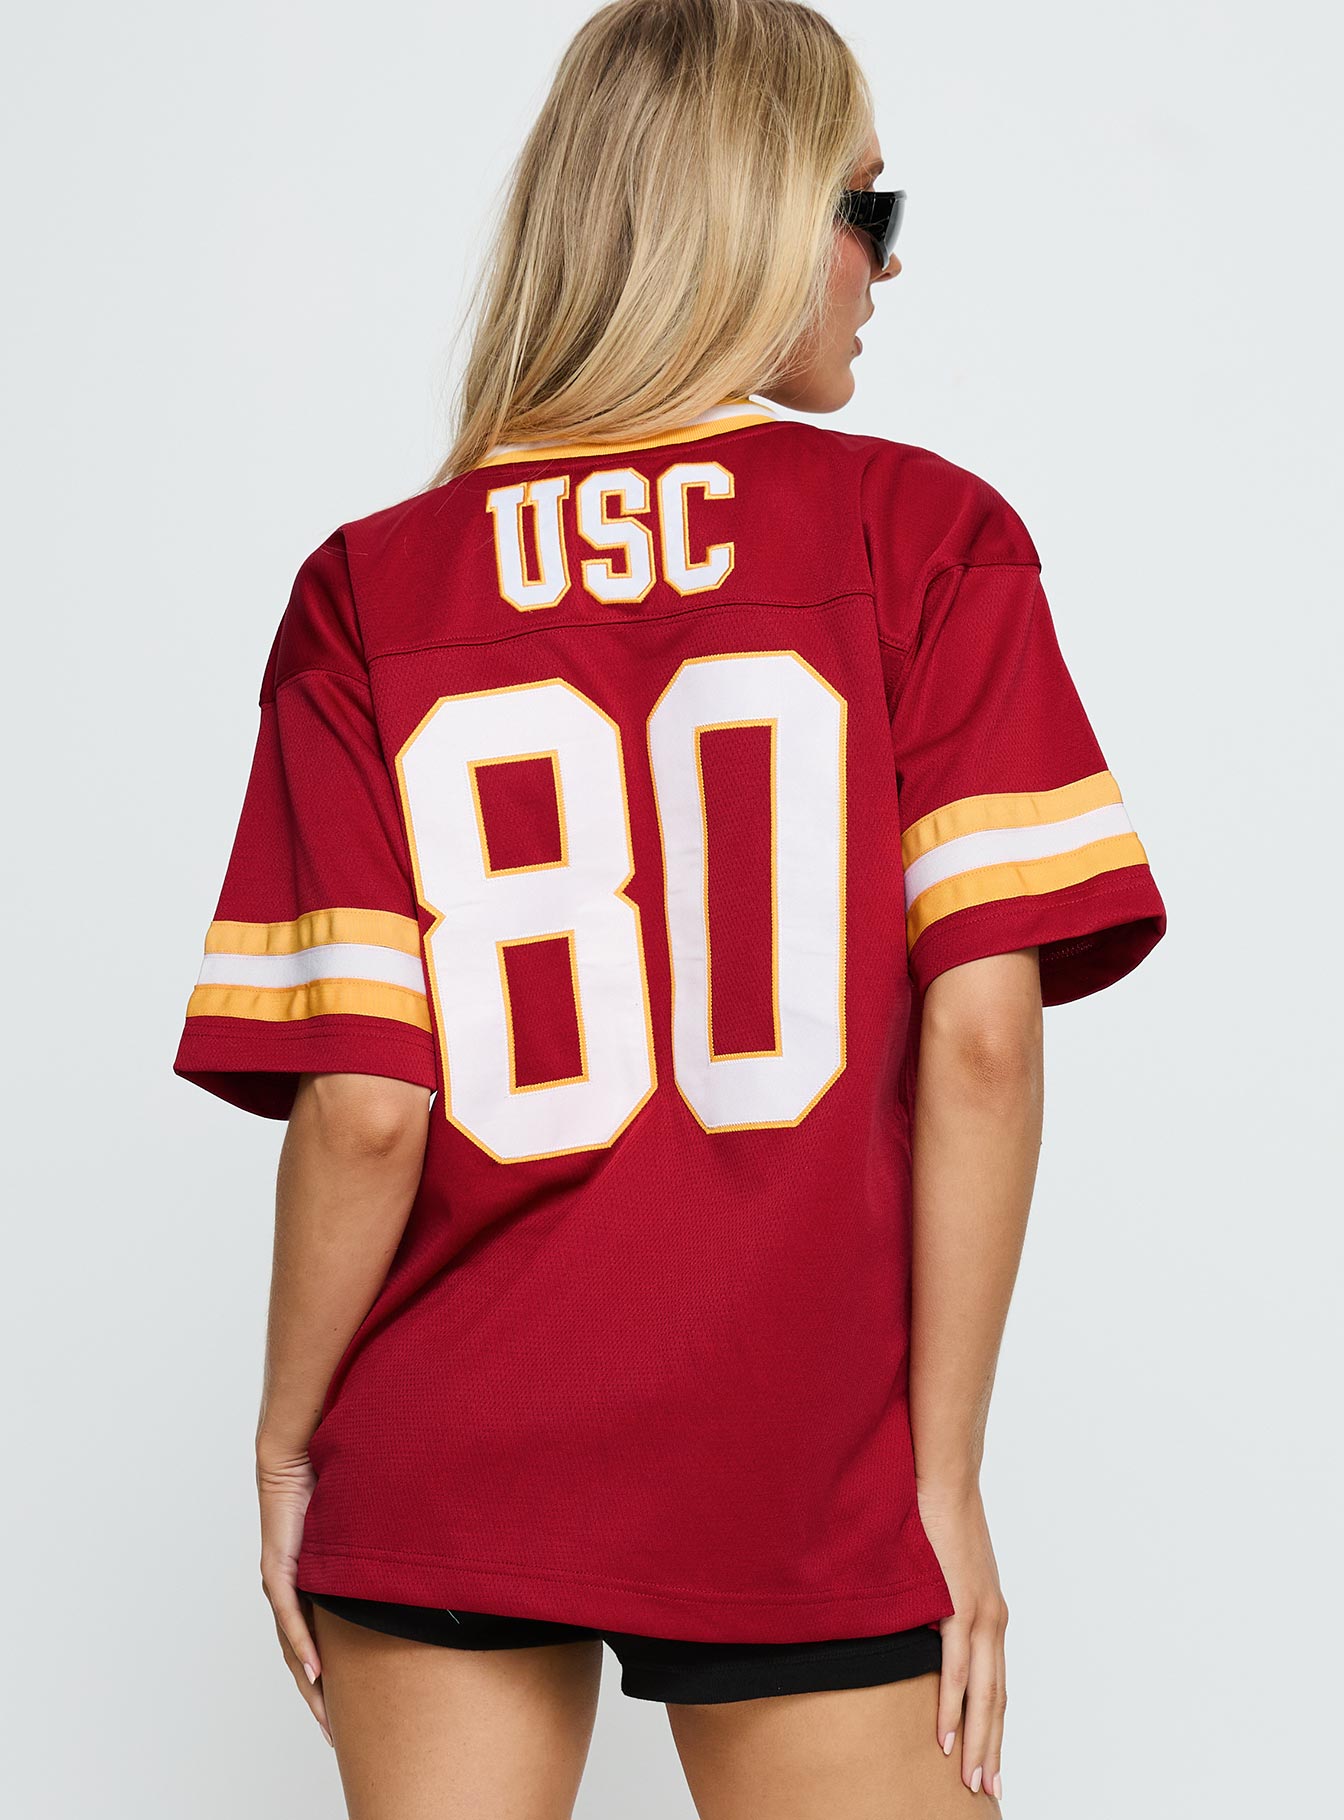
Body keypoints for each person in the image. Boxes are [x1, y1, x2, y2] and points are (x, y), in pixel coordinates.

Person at [172, 1, 1166, 1813]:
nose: (886, 264)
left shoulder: (368, 592)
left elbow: (369, 1104)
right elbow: (984, 1039)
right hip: (802, 1456)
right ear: (756, 213)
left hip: (449, 1446)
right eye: (868, 208)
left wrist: (283, 1439)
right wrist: (943, 1475)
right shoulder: (928, 540)